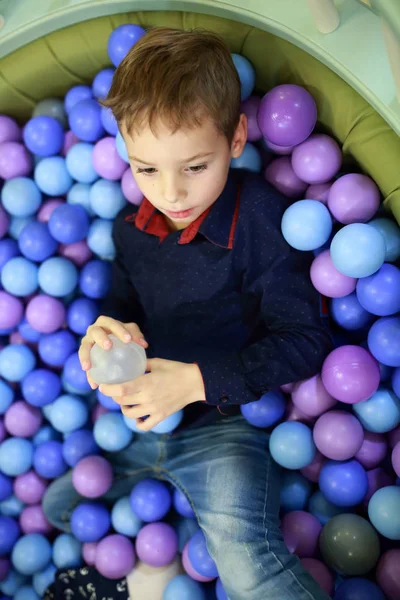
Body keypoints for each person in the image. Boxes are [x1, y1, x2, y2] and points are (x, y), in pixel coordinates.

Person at [43, 27, 333, 600]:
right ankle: (153, 576)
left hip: (226, 427)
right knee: (59, 507)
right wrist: (105, 335)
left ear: (236, 138)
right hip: (144, 423)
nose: (170, 193)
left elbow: (305, 339)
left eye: (194, 167)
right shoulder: (130, 231)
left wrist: (197, 381)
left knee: (243, 559)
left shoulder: (258, 220)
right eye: (146, 169)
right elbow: (123, 306)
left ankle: (168, 564)